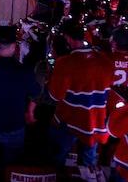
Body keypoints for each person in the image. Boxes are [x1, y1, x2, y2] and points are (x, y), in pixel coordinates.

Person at [47, 20, 114, 181]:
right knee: (89, 164)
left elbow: (55, 96)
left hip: (69, 121)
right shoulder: (105, 60)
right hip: (95, 122)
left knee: (57, 157)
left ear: (68, 39)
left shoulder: (65, 63)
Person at [0, 25, 41, 170]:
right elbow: (36, 94)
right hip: (14, 128)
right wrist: (30, 111)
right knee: (11, 169)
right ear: (12, 47)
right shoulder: (25, 72)